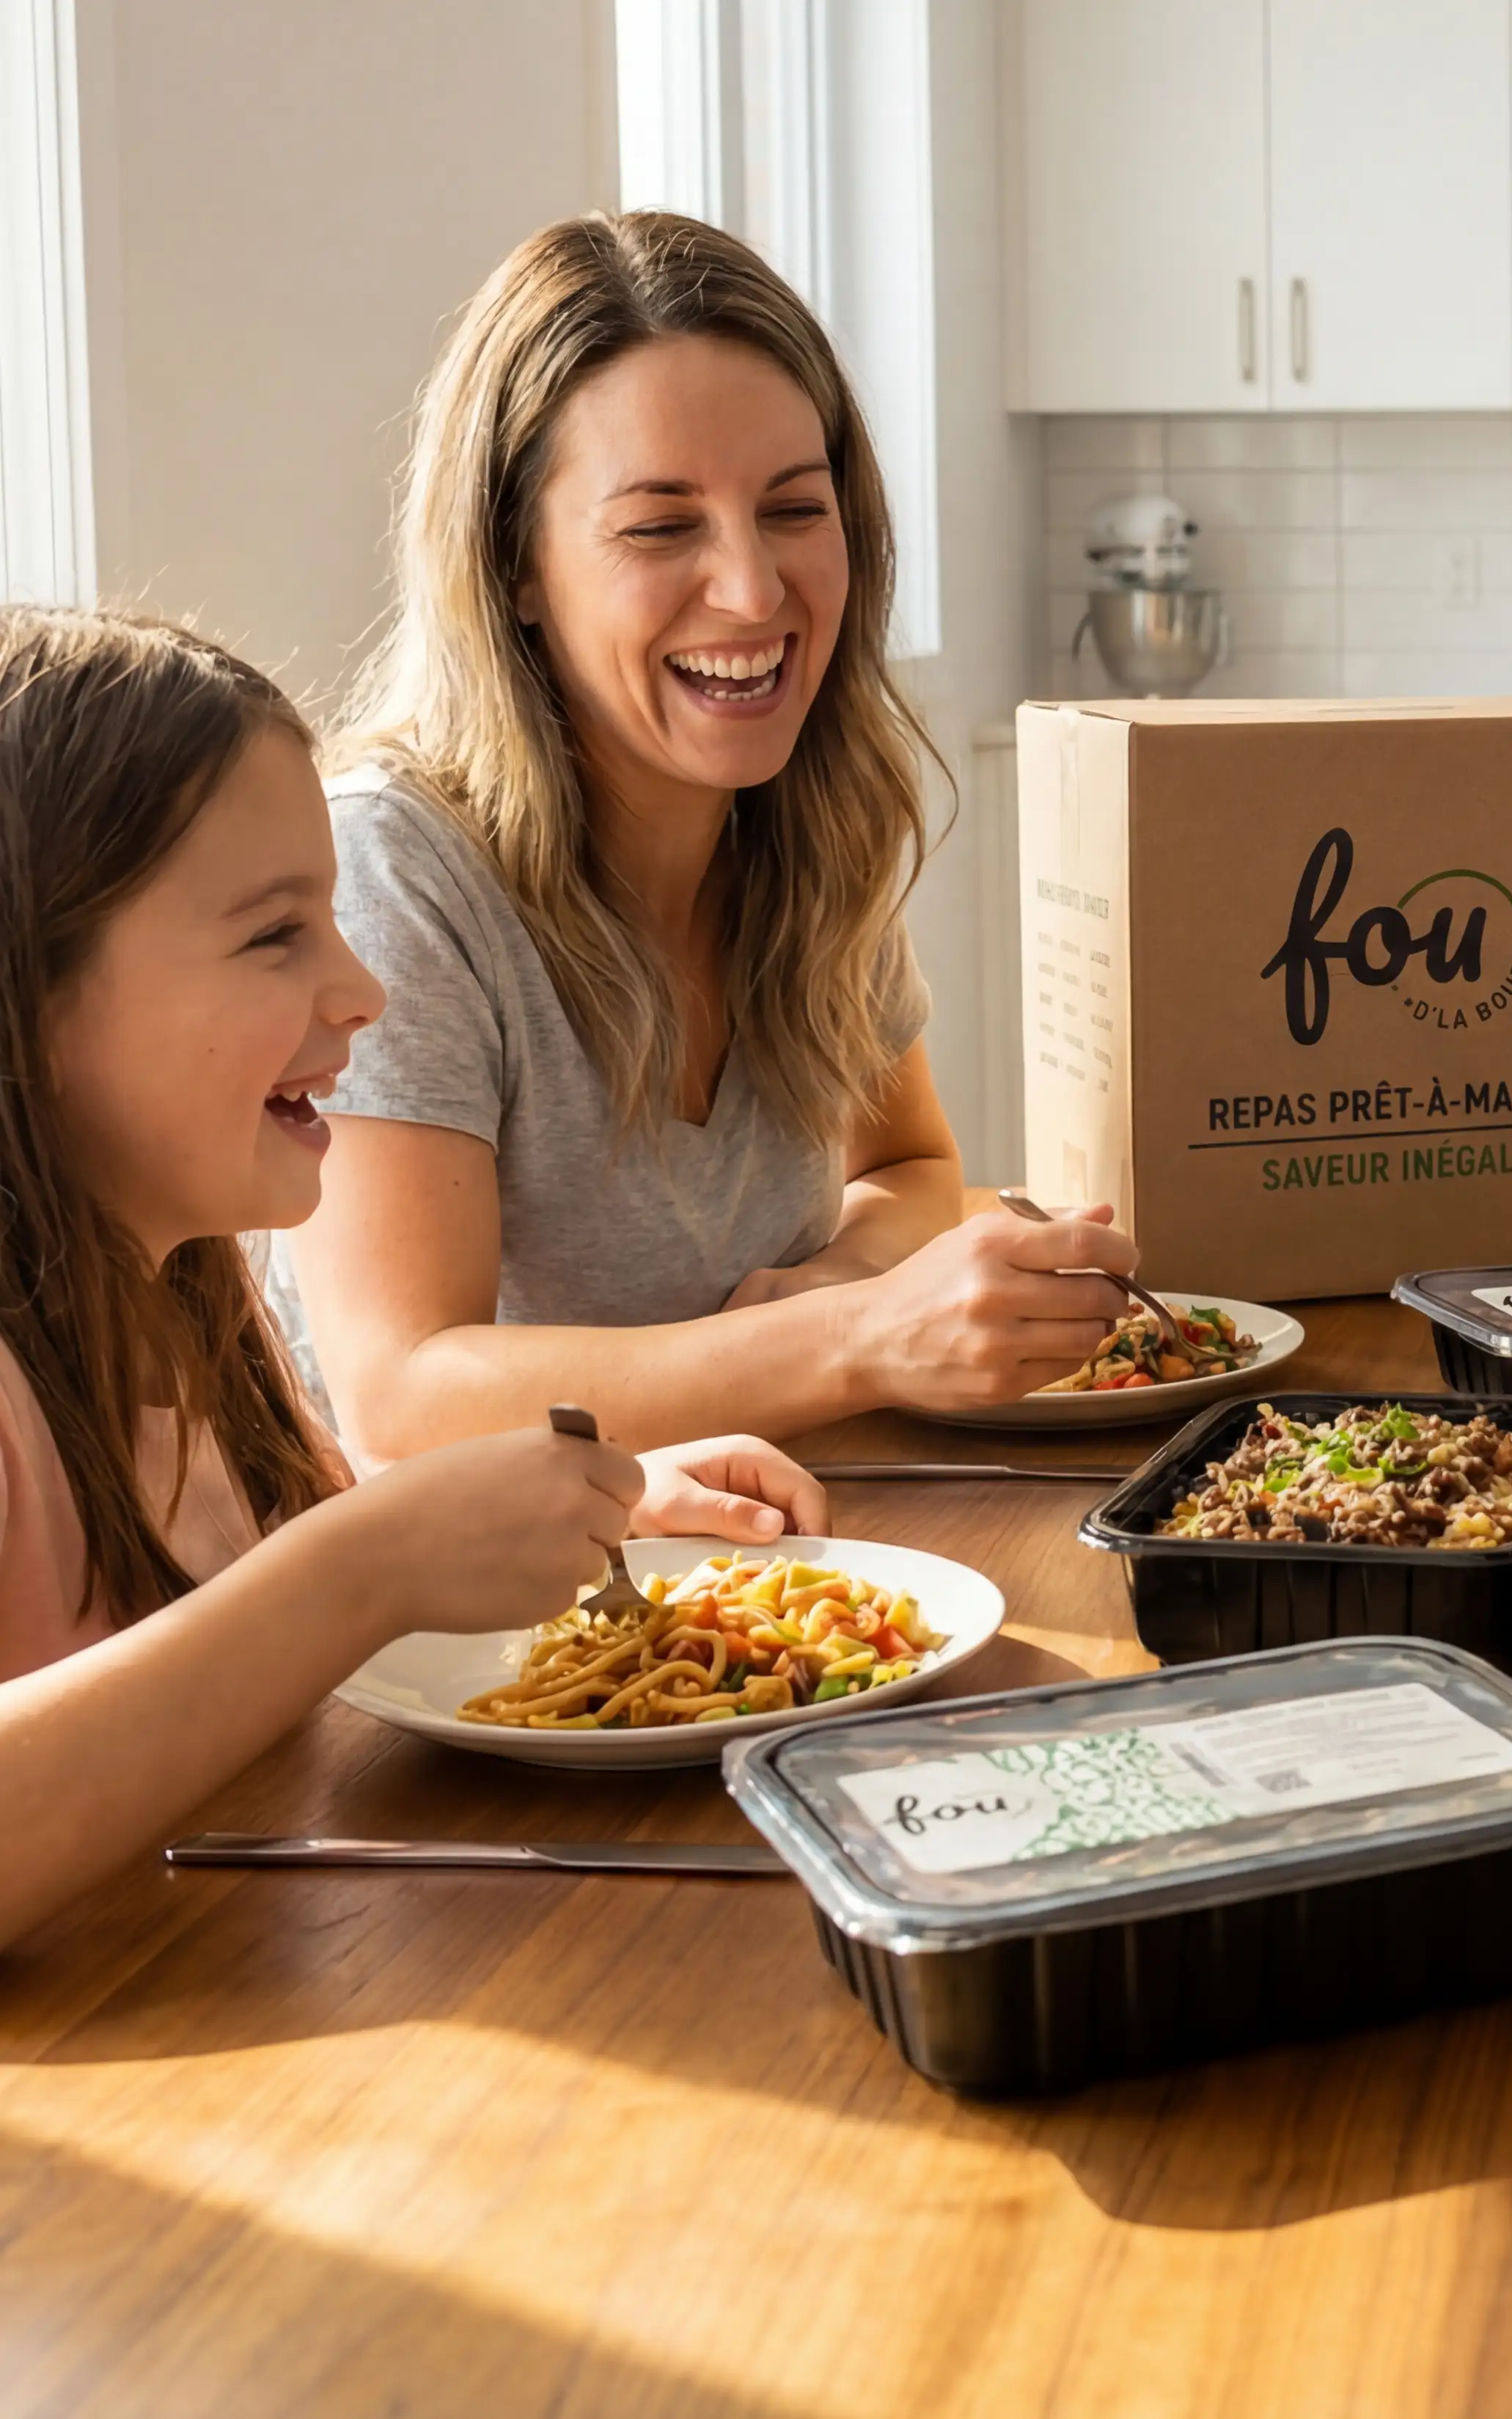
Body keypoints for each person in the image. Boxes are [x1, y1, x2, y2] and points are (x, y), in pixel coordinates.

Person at [0, 607, 824, 1951]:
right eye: (276, 937)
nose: (362, 992)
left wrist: (568, 1507)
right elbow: (325, 1585)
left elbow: (317, 1563)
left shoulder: (196, 1306)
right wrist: (362, 1564)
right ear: (26, 990)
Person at [282, 211, 1134, 1460]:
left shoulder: (806, 823)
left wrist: (834, 1286)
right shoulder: (396, 872)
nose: (751, 589)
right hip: (472, 1631)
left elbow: (909, 1165)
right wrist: (852, 1340)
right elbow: (404, 1396)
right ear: (515, 567)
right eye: (660, 526)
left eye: (795, 508)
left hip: (769, 1561)